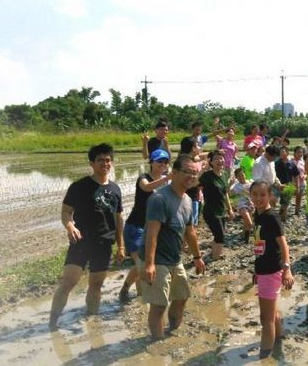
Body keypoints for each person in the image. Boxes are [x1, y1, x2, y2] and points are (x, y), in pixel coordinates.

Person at [49, 143, 125, 329]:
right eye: (100, 160)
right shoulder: (79, 186)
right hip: (81, 242)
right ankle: (52, 323)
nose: (105, 164)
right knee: (68, 282)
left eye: (108, 160)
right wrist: (69, 226)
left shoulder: (115, 189)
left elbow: (118, 218)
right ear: (91, 163)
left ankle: (92, 318)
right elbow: (66, 211)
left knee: (97, 284)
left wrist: (121, 246)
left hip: (104, 243)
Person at [139, 155, 206, 340]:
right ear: (174, 173)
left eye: (195, 173)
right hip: (158, 260)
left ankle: (172, 333)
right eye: (187, 172)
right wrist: (149, 264)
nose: (191, 176)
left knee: (182, 297)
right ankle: (158, 343)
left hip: (175, 260)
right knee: (159, 305)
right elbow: (151, 234)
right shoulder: (159, 198)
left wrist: (197, 257)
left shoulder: (187, 200)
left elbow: (190, 232)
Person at [119, 149, 172, 302]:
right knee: (143, 265)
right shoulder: (143, 178)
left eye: (165, 162)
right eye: (159, 161)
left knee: (142, 263)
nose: (162, 164)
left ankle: (127, 289)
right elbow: (147, 187)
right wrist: (166, 179)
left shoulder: (166, 181)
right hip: (135, 227)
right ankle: (143, 298)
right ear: (151, 163)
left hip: (151, 229)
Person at [250, 180, 294, 359]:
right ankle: (278, 338)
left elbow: (284, 245)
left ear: (270, 196)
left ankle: (264, 355)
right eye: (255, 195)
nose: (259, 198)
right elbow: (260, 244)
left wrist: (287, 269)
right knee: (272, 312)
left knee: (265, 318)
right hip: (264, 270)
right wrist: (257, 270)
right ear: (250, 195)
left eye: (263, 195)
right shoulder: (258, 215)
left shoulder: (271, 217)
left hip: (271, 271)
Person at [198, 150, 234, 260]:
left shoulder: (224, 174)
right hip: (210, 211)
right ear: (211, 162)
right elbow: (193, 183)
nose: (219, 160)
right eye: (216, 159)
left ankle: (213, 253)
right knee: (220, 236)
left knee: (219, 234)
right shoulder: (207, 176)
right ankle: (214, 258)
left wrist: (230, 209)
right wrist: (202, 170)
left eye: (221, 158)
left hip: (221, 210)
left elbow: (225, 193)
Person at [274, 146, 299, 221]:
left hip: (289, 186)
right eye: (280, 152)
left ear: (287, 153)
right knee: (274, 202)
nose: (281, 153)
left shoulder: (292, 163)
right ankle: (276, 218)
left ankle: (282, 219)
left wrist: (296, 186)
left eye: (283, 151)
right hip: (278, 185)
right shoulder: (276, 163)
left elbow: (296, 175)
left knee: (285, 204)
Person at [230, 168, 254, 243]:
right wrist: (231, 183)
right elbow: (229, 194)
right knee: (249, 222)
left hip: (251, 204)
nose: (241, 176)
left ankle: (245, 239)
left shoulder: (251, 182)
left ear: (245, 174)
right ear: (236, 177)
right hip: (242, 205)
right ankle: (249, 238)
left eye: (242, 174)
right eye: (239, 176)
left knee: (247, 223)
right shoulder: (236, 186)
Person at [292, 146, 306, 216]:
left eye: (301, 152)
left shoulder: (302, 162)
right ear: (294, 153)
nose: (300, 154)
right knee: (288, 198)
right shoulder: (291, 161)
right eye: (298, 152)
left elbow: (306, 172)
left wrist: (305, 176)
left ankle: (297, 211)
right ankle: (283, 211)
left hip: (302, 182)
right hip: (293, 183)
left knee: (299, 198)